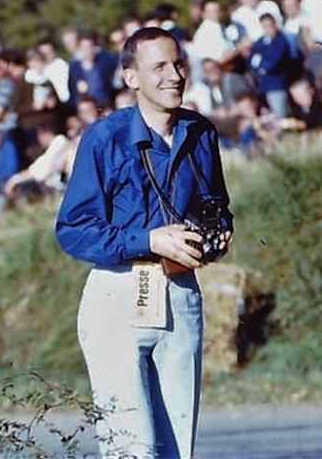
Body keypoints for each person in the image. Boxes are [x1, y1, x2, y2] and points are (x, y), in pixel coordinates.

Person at [55, 27, 233, 458]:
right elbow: (73, 229)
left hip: (181, 292)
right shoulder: (103, 138)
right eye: (159, 67)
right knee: (130, 449)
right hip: (118, 294)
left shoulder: (202, 133)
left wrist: (215, 238)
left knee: (178, 449)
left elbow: (219, 209)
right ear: (131, 78)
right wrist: (149, 239)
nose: (174, 75)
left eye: (178, 65)